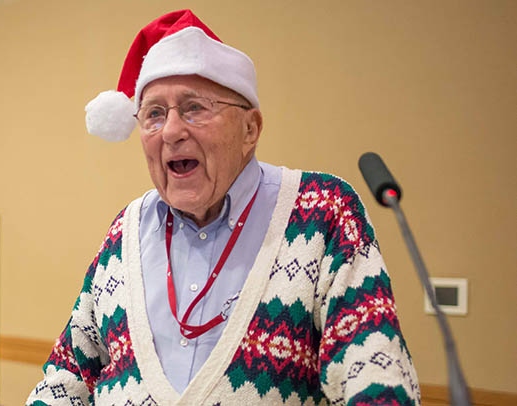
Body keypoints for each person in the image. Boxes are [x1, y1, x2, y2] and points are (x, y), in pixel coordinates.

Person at [27, 9, 420, 405]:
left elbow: (375, 367)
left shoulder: (322, 212)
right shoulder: (125, 230)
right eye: (154, 114)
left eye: (195, 108)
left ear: (250, 129)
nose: (172, 131)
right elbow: (69, 375)